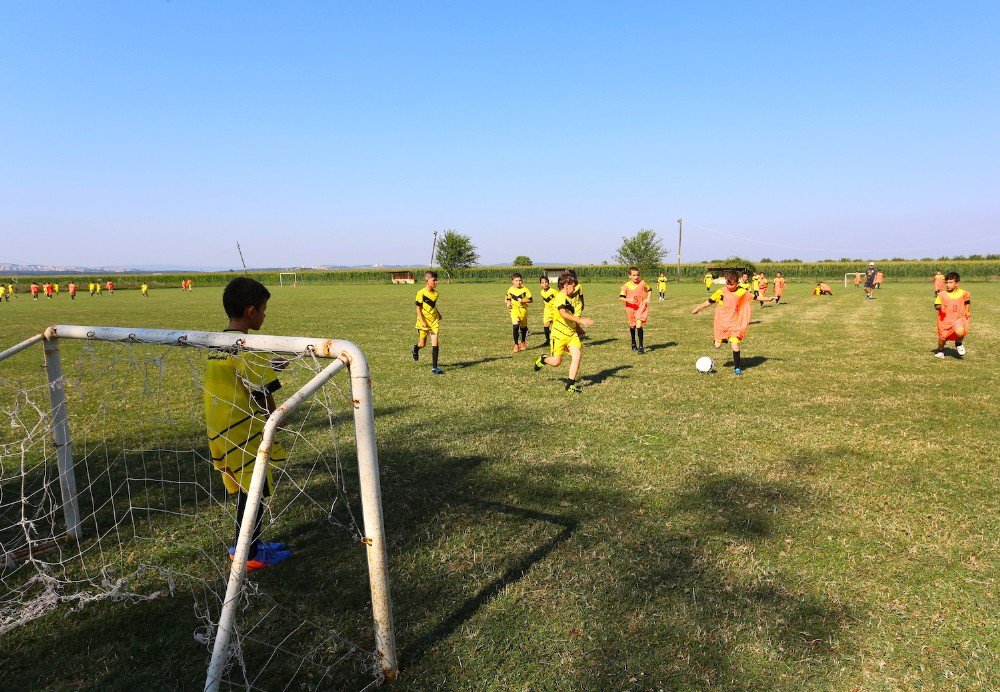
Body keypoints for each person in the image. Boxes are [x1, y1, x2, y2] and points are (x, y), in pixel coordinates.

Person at [204, 277, 292, 571]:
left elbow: (238, 375)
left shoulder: (218, 343)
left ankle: (244, 543)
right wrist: (275, 418)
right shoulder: (249, 346)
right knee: (255, 490)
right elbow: (260, 390)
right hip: (244, 431)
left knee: (244, 489)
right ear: (251, 311)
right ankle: (250, 553)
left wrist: (272, 364)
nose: (265, 315)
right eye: (264, 309)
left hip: (220, 430)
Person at [692, 270, 775, 375]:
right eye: (727, 284)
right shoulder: (721, 292)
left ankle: (737, 368)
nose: (729, 287)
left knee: (735, 345)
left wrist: (768, 299)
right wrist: (697, 309)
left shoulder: (742, 291)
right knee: (717, 346)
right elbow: (709, 302)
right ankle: (720, 339)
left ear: (737, 283)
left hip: (734, 324)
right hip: (721, 323)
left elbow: (755, 297)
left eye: (732, 284)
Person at [533, 272, 594, 393]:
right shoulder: (560, 297)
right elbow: (563, 314)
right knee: (556, 362)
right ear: (566, 285)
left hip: (571, 335)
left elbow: (570, 316)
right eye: (573, 286)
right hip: (559, 335)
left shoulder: (570, 298)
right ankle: (543, 359)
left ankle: (570, 385)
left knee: (577, 356)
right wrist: (581, 320)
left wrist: (578, 328)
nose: (575, 288)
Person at [412, 271, 444, 374]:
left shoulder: (436, 294)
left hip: (434, 321)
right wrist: (422, 321)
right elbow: (418, 309)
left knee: (435, 342)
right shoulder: (421, 293)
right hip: (423, 323)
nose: (436, 282)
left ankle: (435, 368)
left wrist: (438, 314)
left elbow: (432, 306)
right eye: (434, 280)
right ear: (427, 281)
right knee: (422, 344)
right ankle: (416, 348)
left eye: (436, 280)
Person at [934, 272, 971, 358]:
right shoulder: (942, 294)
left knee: (960, 332)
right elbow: (936, 306)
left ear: (957, 283)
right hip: (945, 320)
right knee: (942, 338)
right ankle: (940, 351)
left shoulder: (963, 293)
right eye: (946, 282)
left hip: (959, 318)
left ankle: (958, 343)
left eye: (950, 282)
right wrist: (941, 306)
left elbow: (967, 301)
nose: (947, 285)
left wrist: (967, 311)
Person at [619, 266, 651, 353]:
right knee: (632, 325)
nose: (636, 277)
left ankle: (641, 346)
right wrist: (629, 300)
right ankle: (633, 342)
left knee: (639, 324)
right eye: (634, 275)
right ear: (629, 276)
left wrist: (648, 298)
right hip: (630, 308)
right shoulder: (626, 286)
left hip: (641, 307)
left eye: (637, 275)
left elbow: (649, 289)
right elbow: (621, 298)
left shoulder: (642, 283)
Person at [505, 273, 532, 353]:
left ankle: (523, 342)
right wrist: (507, 302)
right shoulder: (510, 289)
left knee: (523, 327)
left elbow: (531, 299)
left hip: (523, 310)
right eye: (516, 281)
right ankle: (516, 344)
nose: (518, 282)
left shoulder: (525, 289)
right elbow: (508, 298)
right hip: (514, 310)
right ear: (512, 281)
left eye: (520, 280)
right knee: (516, 325)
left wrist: (523, 300)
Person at [538, 275, 560, 347]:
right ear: (540, 284)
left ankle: (556, 340)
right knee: (546, 325)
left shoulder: (553, 291)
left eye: (546, 282)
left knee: (555, 326)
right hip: (547, 311)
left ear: (549, 283)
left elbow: (559, 299)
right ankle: (548, 340)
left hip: (555, 310)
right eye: (543, 282)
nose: (545, 284)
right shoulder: (541, 292)